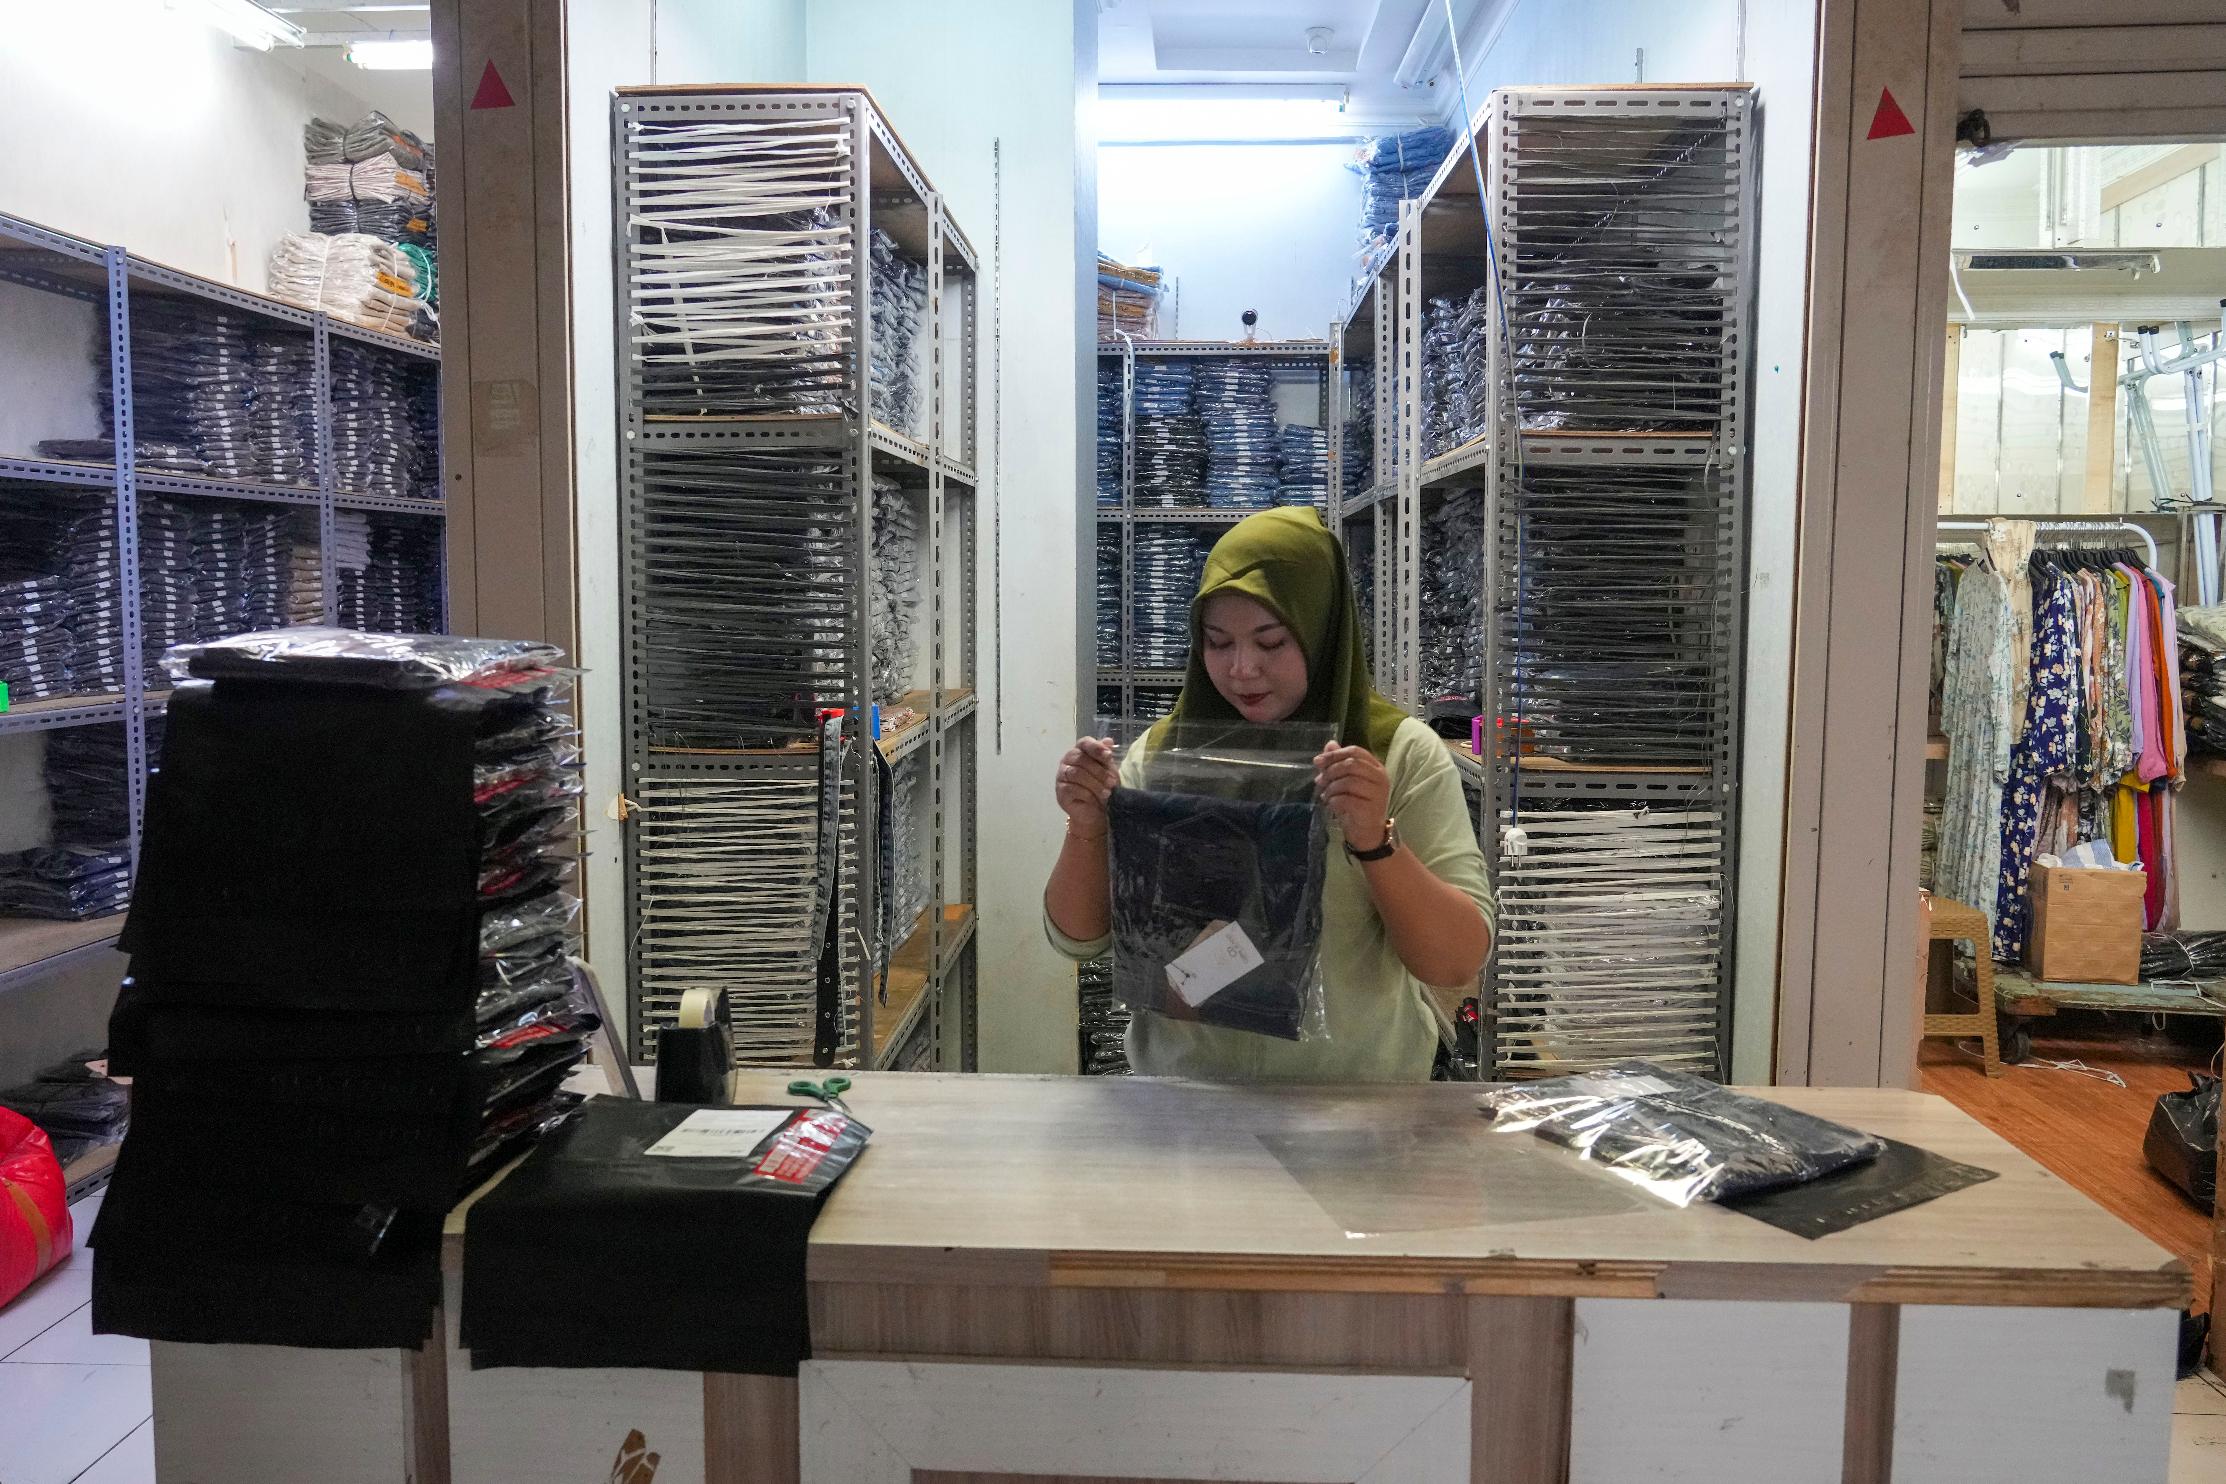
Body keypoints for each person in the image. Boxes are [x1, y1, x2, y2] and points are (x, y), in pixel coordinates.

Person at [1044, 507, 1494, 1082]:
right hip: (1183, 1108)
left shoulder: (1397, 755)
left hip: (1354, 1114)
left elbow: (1455, 961)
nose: (1241, 669)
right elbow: (1079, 939)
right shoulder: (1164, 755)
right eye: (1217, 642)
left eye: (1272, 642)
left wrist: (1376, 841)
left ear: (1321, 631)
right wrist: (1086, 827)